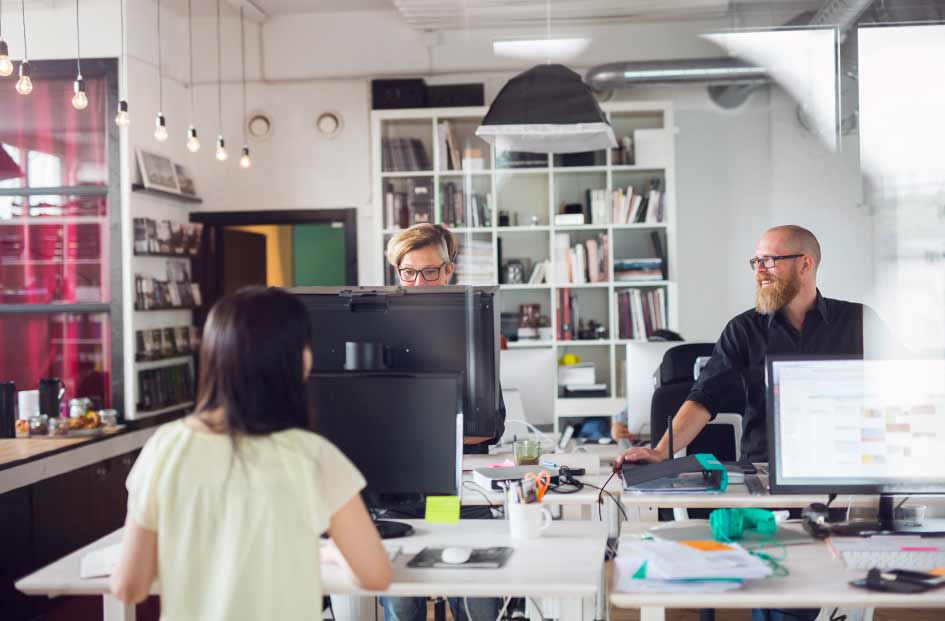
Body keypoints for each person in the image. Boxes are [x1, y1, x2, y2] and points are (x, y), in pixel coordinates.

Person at [616, 225, 893, 621]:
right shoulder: (744, 329)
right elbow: (702, 400)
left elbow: (905, 384)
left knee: (852, 581)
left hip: (845, 477)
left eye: (769, 261)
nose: (759, 270)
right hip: (767, 481)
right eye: (756, 261)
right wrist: (662, 450)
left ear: (805, 264)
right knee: (782, 590)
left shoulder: (859, 321)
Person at [110, 287, 392, 619]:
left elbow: (130, 586)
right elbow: (375, 576)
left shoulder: (166, 447)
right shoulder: (312, 455)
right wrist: (333, 554)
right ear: (297, 360)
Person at [382, 223, 503, 621]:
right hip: (399, 491)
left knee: (476, 603)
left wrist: (415, 436)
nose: (419, 283)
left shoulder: (474, 327)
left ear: (449, 269)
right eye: (408, 272)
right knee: (402, 601)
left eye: (430, 271)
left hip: (459, 491)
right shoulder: (376, 330)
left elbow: (488, 426)